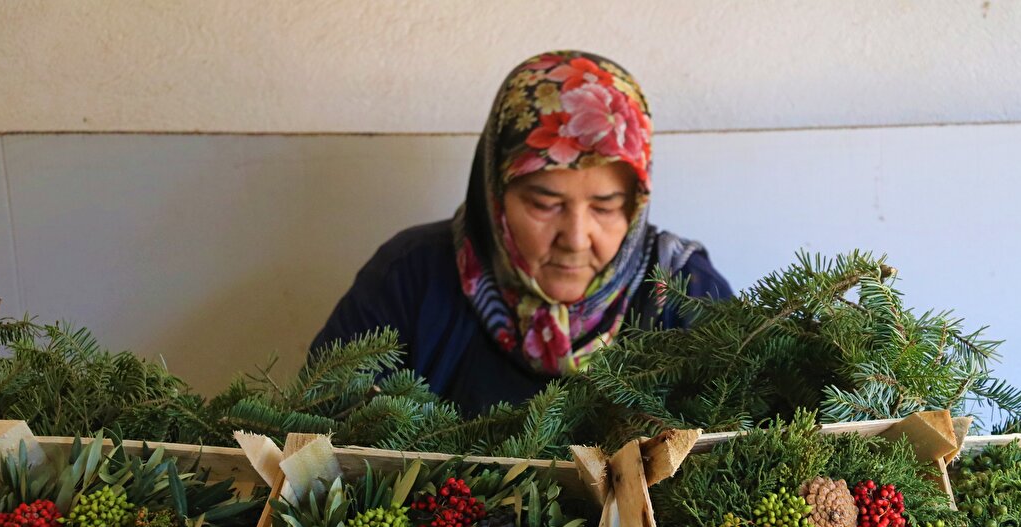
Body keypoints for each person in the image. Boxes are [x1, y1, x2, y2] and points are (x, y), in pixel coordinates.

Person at [311, 51, 731, 415]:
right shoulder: (410, 279)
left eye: (605, 207)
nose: (576, 237)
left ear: (637, 206)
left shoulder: (685, 295)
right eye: (545, 204)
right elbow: (316, 439)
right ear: (494, 194)